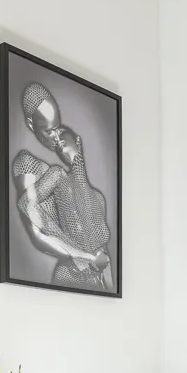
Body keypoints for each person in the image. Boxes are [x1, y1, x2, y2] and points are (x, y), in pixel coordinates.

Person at [11, 82, 113, 292]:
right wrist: (85, 256)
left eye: (58, 128)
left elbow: (94, 233)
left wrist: (76, 160)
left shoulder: (79, 185)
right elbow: (38, 232)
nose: (56, 137)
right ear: (31, 124)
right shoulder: (29, 164)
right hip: (74, 273)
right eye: (49, 131)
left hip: (100, 275)